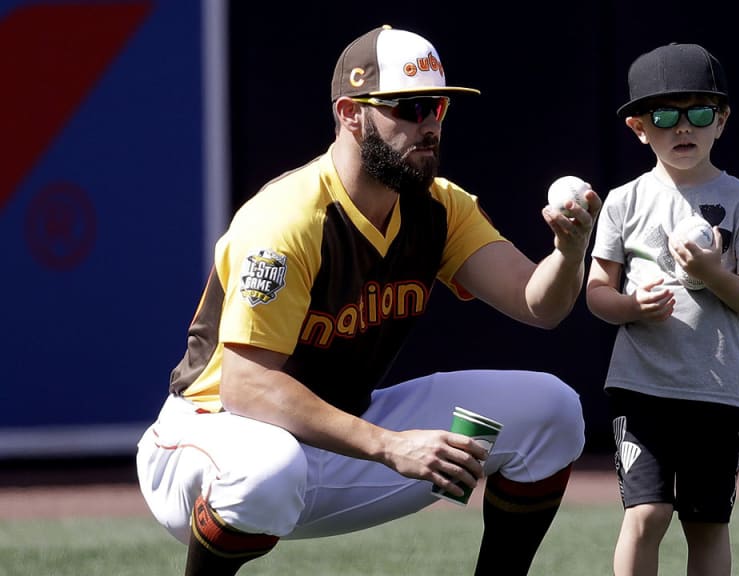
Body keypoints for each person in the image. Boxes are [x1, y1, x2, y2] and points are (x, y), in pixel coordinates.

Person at [136, 24, 601, 576]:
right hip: (207, 442)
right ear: (350, 113)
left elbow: (539, 306)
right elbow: (248, 387)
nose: (429, 125)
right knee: (269, 469)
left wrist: (569, 253)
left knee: (552, 410)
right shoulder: (288, 219)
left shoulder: (438, 207)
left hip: (338, 438)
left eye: (438, 108)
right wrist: (390, 446)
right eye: (408, 107)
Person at [585, 43, 739, 576]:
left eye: (698, 112)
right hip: (640, 385)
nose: (682, 128)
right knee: (646, 514)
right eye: (664, 115)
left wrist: (713, 274)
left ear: (720, 122)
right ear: (638, 127)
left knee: (707, 522)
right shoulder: (623, 200)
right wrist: (632, 305)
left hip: (714, 389)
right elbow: (597, 294)